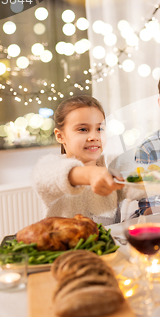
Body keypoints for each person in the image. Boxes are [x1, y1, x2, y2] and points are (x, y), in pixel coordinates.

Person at [32, 96, 125, 225]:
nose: (94, 137)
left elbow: (138, 184)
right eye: (82, 129)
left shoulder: (112, 162)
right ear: (60, 136)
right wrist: (90, 174)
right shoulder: (51, 166)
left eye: (99, 129)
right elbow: (45, 175)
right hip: (66, 245)